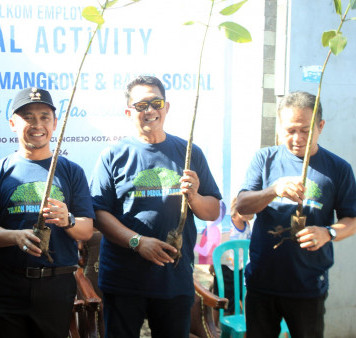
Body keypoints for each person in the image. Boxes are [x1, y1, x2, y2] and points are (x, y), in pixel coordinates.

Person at [89, 75, 222, 338]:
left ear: (167, 107)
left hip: (174, 277)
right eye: (141, 106)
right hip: (124, 279)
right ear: (129, 112)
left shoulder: (189, 152)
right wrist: (137, 242)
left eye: (156, 103)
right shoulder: (113, 155)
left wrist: (194, 197)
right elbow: (98, 213)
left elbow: (213, 210)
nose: (150, 110)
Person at [0, 87, 94, 338]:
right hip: (8, 283)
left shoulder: (72, 172)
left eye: (44, 116)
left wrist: (68, 220)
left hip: (56, 285)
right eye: (28, 117)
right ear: (13, 123)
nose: (37, 124)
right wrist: (14, 237)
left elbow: (86, 229)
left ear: (55, 123)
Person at [236, 91, 356, 338]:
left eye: (306, 130)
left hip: (308, 285)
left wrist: (328, 232)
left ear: (320, 126)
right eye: (290, 131)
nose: (298, 138)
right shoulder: (264, 159)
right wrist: (273, 190)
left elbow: (352, 219)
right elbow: (242, 206)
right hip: (262, 283)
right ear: (279, 127)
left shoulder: (338, 169)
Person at [212, 197, 253, 316]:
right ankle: (215, 326)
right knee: (221, 298)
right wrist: (213, 264)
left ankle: (234, 321)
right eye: (244, 210)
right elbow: (216, 244)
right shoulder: (227, 224)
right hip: (225, 267)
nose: (247, 214)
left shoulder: (247, 226)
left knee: (237, 296)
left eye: (250, 212)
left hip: (240, 267)